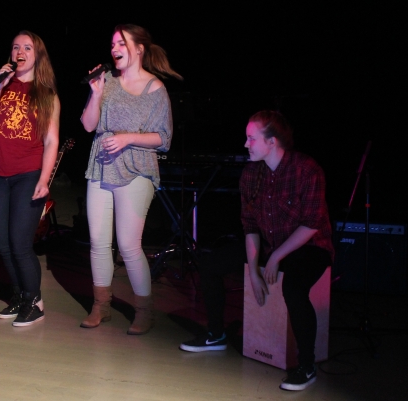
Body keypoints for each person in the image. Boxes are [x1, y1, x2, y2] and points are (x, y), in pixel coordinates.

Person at [179, 110, 334, 391]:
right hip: (268, 242)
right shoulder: (252, 173)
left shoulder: (306, 169)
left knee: (294, 288)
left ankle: (306, 365)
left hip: (308, 246)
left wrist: (275, 257)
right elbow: (250, 225)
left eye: (251, 138)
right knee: (210, 265)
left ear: (272, 142)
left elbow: (311, 224)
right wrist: (253, 269)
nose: (245, 144)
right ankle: (216, 334)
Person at [80, 24, 181, 335]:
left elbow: (163, 138)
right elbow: (88, 125)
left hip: (136, 167)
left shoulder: (155, 88)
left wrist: (126, 138)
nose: (115, 49)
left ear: (139, 48)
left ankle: (144, 311)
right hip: (102, 165)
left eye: (121, 43)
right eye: (112, 43)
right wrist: (96, 93)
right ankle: (101, 306)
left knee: (128, 244)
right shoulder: (106, 80)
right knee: (98, 241)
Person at [0, 30, 60, 327]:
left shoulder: (46, 94)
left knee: (20, 243)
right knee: (2, 243)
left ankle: (35, 301)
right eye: (15, 47)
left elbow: (51, 141)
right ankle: (21, 296)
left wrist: (44, 179)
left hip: (28, 174)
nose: (19, 52)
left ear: (38, 55)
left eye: (27, 47)